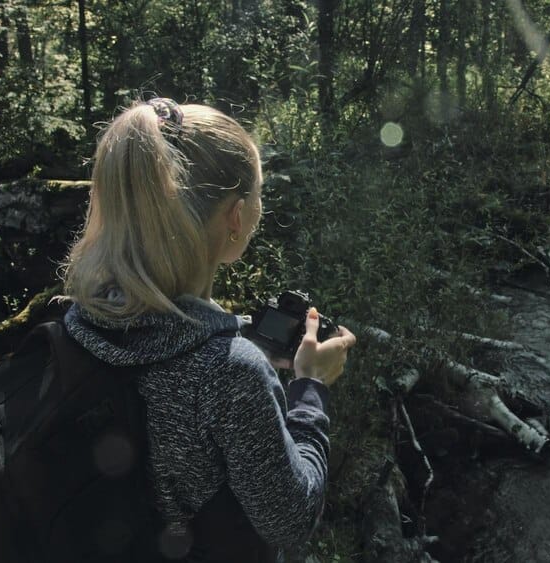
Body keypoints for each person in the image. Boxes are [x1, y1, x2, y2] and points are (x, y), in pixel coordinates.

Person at [57, 98, 356, 561]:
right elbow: (292, 520)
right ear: (235, 217)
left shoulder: (78, 320)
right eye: (258, 194)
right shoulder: (232, 375)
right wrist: (310, 387)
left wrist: (237, 337)